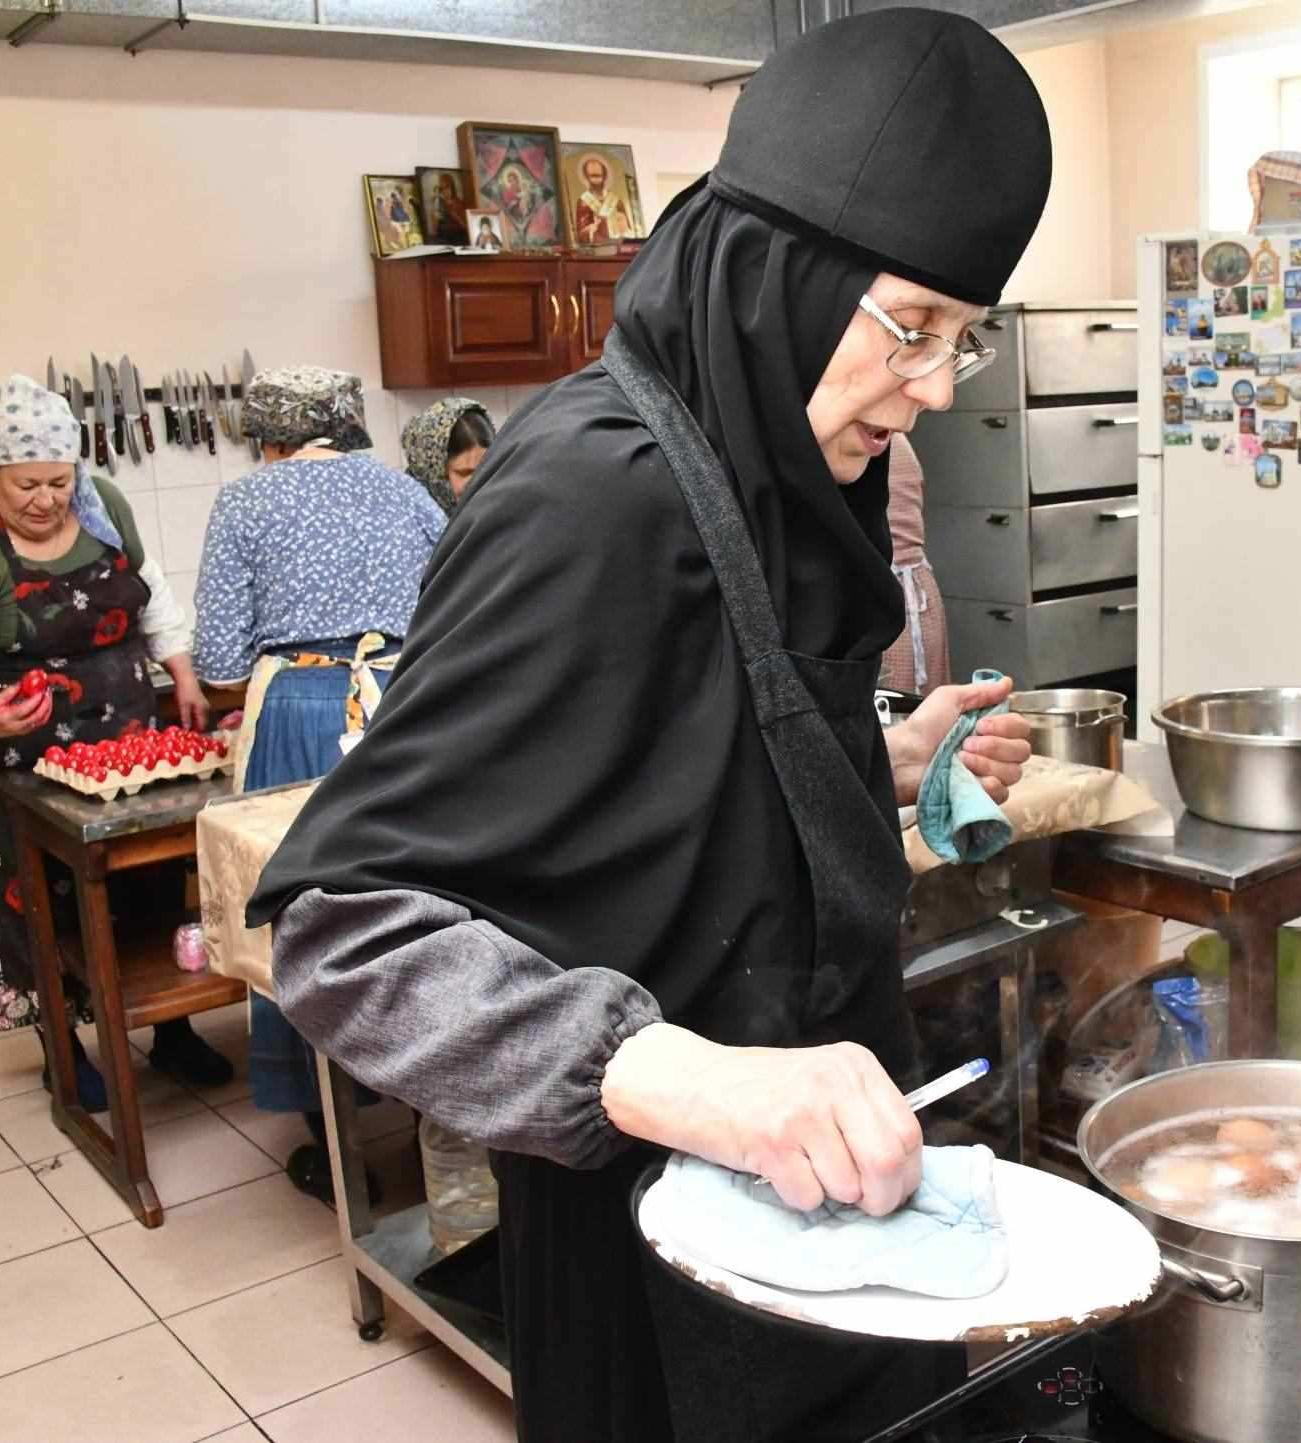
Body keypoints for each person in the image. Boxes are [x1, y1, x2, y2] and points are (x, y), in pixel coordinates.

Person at [247, 9, 1050, 1441]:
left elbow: (677, 771)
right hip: (655, 1236)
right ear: (777, 278)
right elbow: (344, 930)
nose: (934, 387)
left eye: (962, 338)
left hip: (834, 1194)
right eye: (911, 326)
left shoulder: (781, 460)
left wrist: (880, 759)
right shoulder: (596, 492)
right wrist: (690, 1079)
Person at [0, 375, 231, 1108]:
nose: (46, 500)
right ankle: (63, 1047)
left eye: (59, 482)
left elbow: (151, 591)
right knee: (43, 901)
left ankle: (173, 1031)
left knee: (150, 882)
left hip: (130, 738)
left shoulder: (104, 506)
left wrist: (181, 671)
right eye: (26, 484)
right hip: (28, 756)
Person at [191, 365, 446, 1200]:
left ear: (268, 438)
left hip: (302, 714)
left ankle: (332, 1140)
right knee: (414, 900)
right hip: (404, 708)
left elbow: (220, 661)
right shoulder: (407, 494)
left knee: (303, 914)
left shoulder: (245, 503)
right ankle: (433, 1105)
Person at [879, 436, 949, 695]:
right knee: (927, 703)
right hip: (921, 591)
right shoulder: (898, 441)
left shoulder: (866, 446)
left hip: (884, 592)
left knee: (890, 706)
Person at [401, 397, 495, 517]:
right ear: (434, 472)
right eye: (464, 473)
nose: (478, 482)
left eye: (485, 469)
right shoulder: (408, 519)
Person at [574, 154, 631, 245]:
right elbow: (581, 234)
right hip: (597, 245)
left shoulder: (616, 200)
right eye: (592, 176)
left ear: (604, 176)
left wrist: (621, 223)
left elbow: (628, 230)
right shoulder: (584, 201)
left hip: (617, 243)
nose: (595, 180)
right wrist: (591, 228)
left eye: (598, 176)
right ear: (586, 177)